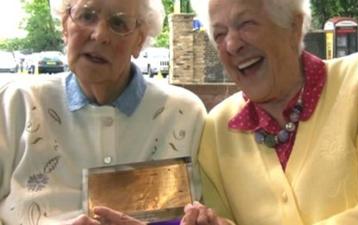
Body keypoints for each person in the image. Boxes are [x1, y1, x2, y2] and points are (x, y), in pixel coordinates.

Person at [182, 0, 358, 224]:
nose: (231, 44)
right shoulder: (217, 129)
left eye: (246, 24)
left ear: (294, 27)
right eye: (219, 34)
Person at [0, 0, 206, 224]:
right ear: (64, 25)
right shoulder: (17, 103)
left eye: (118, 23)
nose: (99, 35)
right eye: (87, 16)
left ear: (139, 40)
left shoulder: (183, 114)